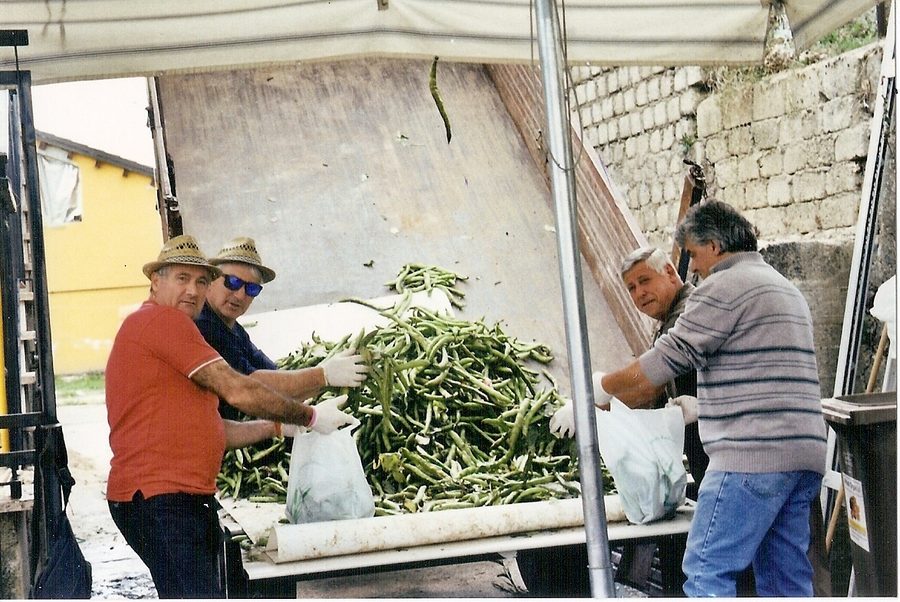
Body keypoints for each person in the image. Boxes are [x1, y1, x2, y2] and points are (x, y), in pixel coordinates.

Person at [105, 234, 369, 598]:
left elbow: (211, 428)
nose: (193, 291)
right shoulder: (165, 323)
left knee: (231, 589)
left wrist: (278, 427)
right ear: (156, 281)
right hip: (159, 499)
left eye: (200, 280)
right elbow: (240, 388)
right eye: (182, 278)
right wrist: (309, 414)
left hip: (176, 498)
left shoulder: (176, 327)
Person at [593, 200, 827, 597]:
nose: (694, 268)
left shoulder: (722, 286)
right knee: (784, 578)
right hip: (804, 456)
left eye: (694, 255)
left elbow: (665, 361)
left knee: (705, 571)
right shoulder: (782, 286)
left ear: (715, 244)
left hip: (751, 456)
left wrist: (599, 387)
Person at [550, 246, 708, 497]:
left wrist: (593, 399)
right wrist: (600, 408)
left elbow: (647, 385)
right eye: (632, 288)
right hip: (707, 457)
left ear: (669, 271)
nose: (639, 293)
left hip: (719, 456)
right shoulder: (669, 319)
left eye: (644, 281)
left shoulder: (687, 314)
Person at [195, 236, 278, 421]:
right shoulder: (204, 325)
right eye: (232, 282)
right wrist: (323, 376)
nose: (240, 295)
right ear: (211, 281)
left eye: (252, 289)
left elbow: (268, 367)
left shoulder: (234, 328)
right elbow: (252, 382)